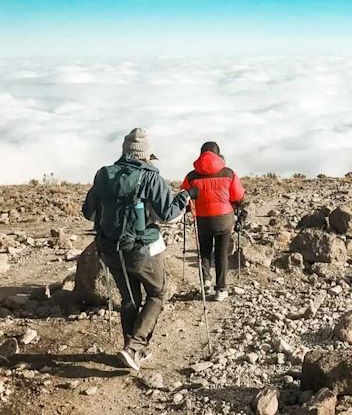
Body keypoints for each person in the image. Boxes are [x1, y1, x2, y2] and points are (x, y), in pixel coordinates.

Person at [82, 128, 196, 371]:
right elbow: (168, 214)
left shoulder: (104, 175)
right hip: (142, 249)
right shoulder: (151, 177)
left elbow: (88, 212)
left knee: (130, 299)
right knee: (157, 293)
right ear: (145, 154)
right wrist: (185, 197)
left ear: (124, 151)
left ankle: (131, 348)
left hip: (110, 249)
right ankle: (134, 347)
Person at [181, 141, 245, 302]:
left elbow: (186, 198)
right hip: (224, 219)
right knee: (221, 253)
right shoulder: (228, 173)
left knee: (204, 251)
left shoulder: (191, 176)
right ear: (218, 154)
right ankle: (221, 290)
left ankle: (206, 284)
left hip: (202, 219)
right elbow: (237, 197)